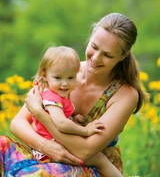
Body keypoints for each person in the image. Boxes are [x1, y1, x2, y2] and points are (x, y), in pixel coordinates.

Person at [0, 13, 146, 177]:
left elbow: (84, 152)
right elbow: (18, 123)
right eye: (95, 47)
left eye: (107, 55)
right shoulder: (65, 70)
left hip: (90, 167)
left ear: (123, 56)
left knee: (35, 175)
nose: (96, 58)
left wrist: (40, 114)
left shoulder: (124, 94)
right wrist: (45, 146)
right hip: (45, 153)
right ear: (90, 37)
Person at [28, 45, 116, 176]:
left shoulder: (58, 94)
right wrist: (86, 130)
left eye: (70, 78)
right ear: (45, 76)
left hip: (58, 140)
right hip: (52, 147)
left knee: (97, 158)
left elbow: (56, 118)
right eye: (58, 78)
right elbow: (60, 124)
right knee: (99, 159)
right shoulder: (51, 97)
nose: (65, 84)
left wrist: (73, 119)